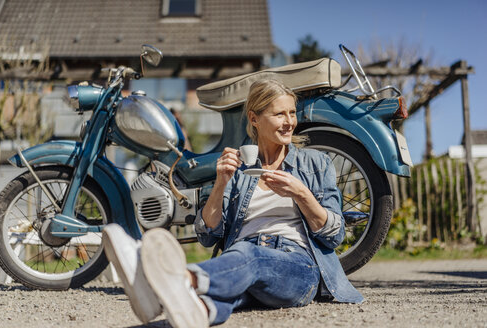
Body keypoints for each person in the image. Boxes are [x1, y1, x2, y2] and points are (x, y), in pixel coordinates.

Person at [103, 79, 364, 328]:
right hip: (240, 259)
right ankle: (196, 311)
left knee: (251, 257)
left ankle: (170, 279)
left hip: (296, 266)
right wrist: (221, 183)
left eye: (292, 113)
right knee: (228, 290)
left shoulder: (315, 164)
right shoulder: (238, 168)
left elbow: (335, 235)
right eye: (279, 114)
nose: (289, 123)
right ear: (254, 119)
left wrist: (301, 194)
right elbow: (207, 235)